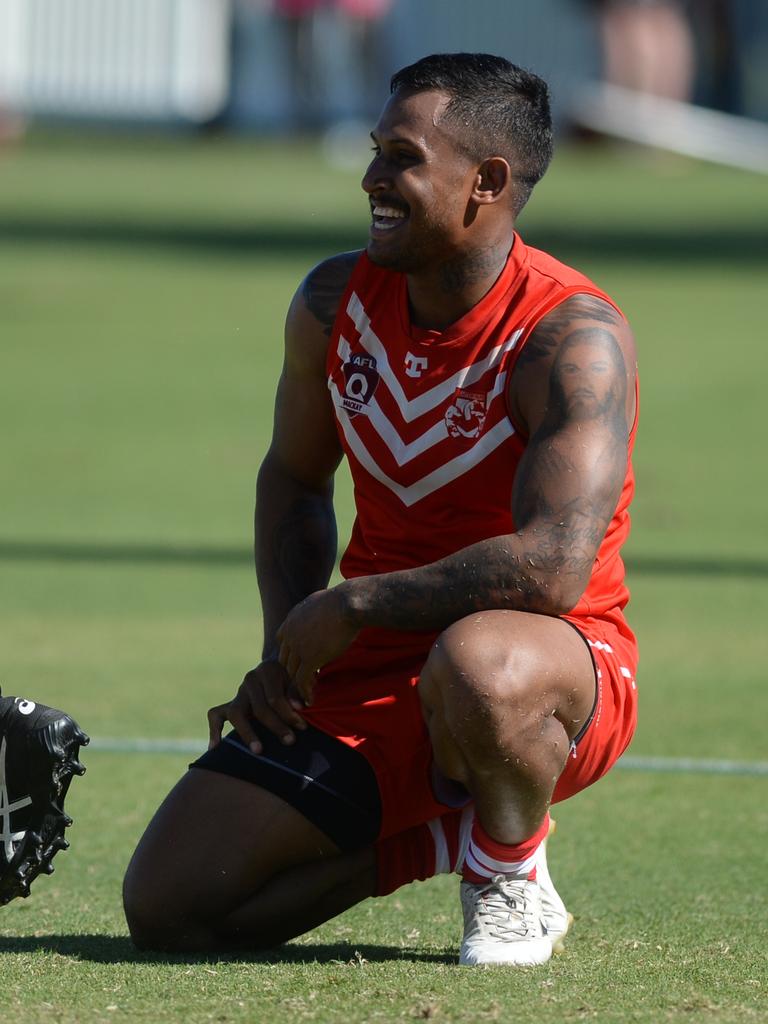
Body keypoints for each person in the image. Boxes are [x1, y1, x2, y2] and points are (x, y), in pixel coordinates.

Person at [123, 52, 639, 967]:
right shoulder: (332, 303)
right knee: (172, 907)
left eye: (401, 158)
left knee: (479, 666)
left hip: (549, 662)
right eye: (375, 151)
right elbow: (292, 479)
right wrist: (286, 653)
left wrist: (353, 603)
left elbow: (555, 568)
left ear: (486, 182)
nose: (371, 179)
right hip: (377, 657)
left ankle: (511, 869)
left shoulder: (570, 337)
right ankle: (444, 841)